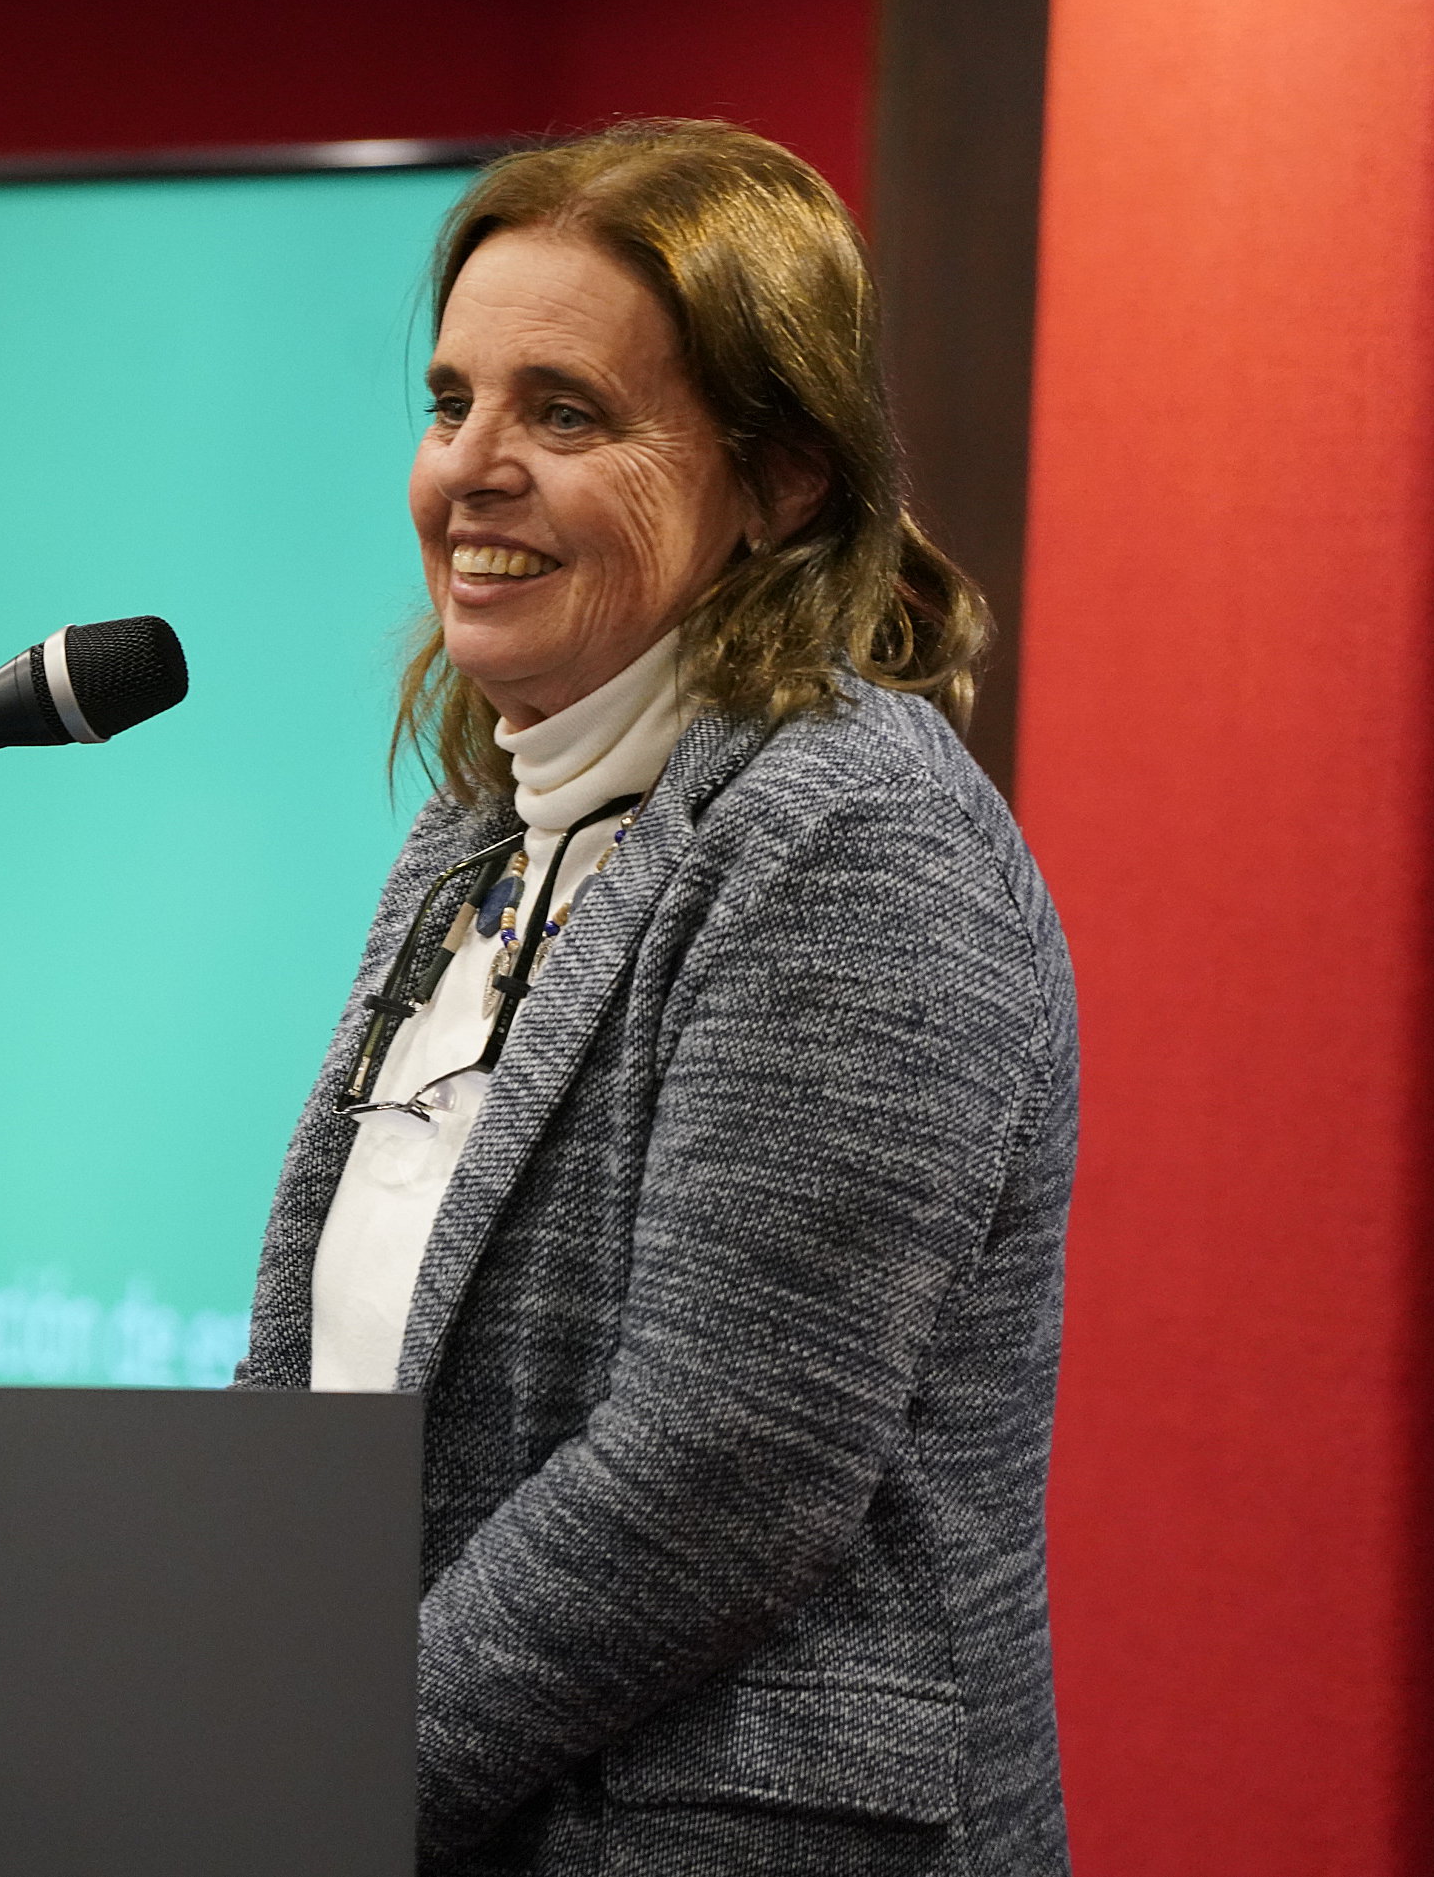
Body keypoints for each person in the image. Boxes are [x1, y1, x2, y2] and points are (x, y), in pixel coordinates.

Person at [236, 120, 1075, 1874]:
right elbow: (327, 1359)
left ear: (780, 480)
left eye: (565, 413)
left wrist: (322, 1772)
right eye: (452, 400)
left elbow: (723, 1468)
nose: (471, 468)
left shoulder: (852, 842)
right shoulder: (484, 827)